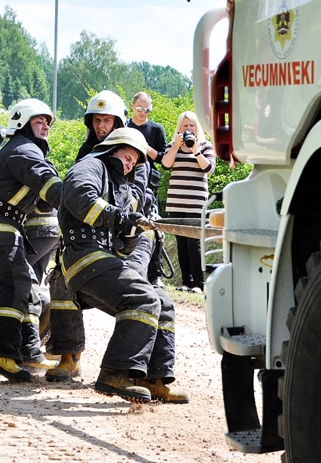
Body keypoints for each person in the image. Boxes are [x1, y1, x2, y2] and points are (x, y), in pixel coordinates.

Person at [47, 128, 188, 403]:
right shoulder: (90, 166)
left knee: (163, 302)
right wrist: (121, 218)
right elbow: (79, 198)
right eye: (126, 157)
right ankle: (115, 372)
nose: (129, 164)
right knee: (142, 298)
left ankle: (152, 377)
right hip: (83, 258)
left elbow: (122, 244)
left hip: (103, 259)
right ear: (111, 150)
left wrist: (132, 231)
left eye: (134, 162)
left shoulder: (120, 186)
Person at [0, 99, 62, 382]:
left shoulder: (12, 148)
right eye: (39, 121)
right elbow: (47, 185)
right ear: (23, 122)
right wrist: (78, 200)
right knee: (16, 284)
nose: (45, 127)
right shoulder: (24, 149)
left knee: (20, 284)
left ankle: (26, 349)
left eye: (47, 123)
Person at [160, 111, 216, 294]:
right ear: (180, 128)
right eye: (185, 126)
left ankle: (199, 284)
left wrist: (195, 151)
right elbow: (166, 165)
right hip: (176, 201)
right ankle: (186, 281)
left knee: (194, 242)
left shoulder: (206, 145)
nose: (188, 129)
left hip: (196, 202)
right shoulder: (172, 145)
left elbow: (209, 169)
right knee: (181, 242)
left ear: (197, 127)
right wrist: (176, 146)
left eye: (191, 125)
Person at [127, 92, 167, 287]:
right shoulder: (123, 126)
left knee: (155, 227)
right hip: (126, 182)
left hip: (149, 184)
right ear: (132, 106)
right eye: (140, 108)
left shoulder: (156, 129)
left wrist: (144, 146)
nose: (143, 113)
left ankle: (155, 273)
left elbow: (163, 158)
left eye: (147, 109)